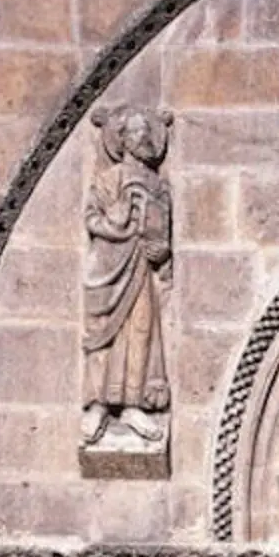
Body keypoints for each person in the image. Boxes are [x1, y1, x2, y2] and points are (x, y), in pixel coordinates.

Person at [81, 105, 174, 445]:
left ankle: (134, 404)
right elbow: (92, 218)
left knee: (141, 332)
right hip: (108, 266)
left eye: (147, 131)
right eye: (135, 132)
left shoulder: (158, 185)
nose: (144, 137)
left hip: (141, 269)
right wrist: (115, 221)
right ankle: (97, 405)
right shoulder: (107, 180)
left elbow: (163, 230)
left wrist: (161, 251)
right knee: (103, 334)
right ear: (122, 140)